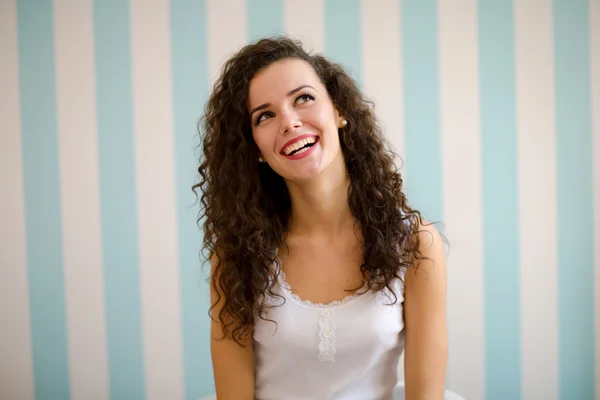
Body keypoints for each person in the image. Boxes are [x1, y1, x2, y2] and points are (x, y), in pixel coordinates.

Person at [194, 36, 448, 400]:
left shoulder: (415, 244)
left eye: (303, 98)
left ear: (339, 110)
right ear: (255, 150)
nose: (290, 122)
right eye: (265, 115)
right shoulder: (236, 255)